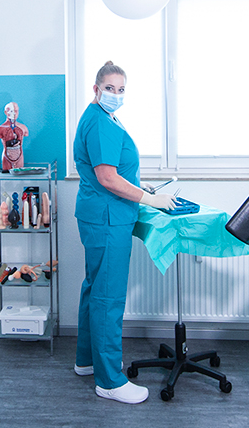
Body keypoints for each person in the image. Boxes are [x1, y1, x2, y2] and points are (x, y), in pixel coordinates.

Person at [71, 61, 178, 403]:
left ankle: (87, 360)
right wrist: (150, 198)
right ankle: (110, 381)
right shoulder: (100, 122)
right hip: (107, 218)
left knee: (94, 288)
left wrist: (138, 186)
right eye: (110, 88)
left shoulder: (102, 117)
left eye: (121, 90)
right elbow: (107, 177)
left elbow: (113, 171)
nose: (115, 95)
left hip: (100, 214)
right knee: (108, 296)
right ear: (96, 88)